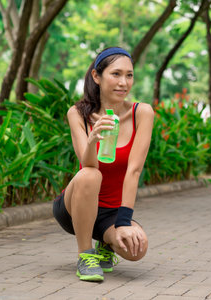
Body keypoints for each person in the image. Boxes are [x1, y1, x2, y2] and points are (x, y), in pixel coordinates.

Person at [53, 47, 154, 282]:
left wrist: (123, 222)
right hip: (75, 206)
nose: (124, 82)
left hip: (112, 211)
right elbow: (86, 164)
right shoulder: (77, 113)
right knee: (91, 175)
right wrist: (93, 139)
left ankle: (106, 244)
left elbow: (134, 170)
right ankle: (85, 254)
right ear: (97, 77)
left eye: (129, 75)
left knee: (137, 248)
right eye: (116, 74)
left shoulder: (143, 112)